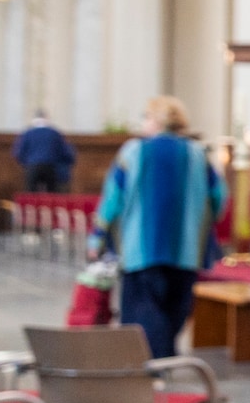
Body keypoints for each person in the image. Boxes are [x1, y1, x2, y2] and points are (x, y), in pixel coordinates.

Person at [94, 97, 225, 360]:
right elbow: (219, 196)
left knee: (143, 310)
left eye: (145, 117)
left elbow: (112, 198)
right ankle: (165, 359)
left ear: (156, 120)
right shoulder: (197, 153)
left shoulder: (134, 151)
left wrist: (97, 236)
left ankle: (155, 366)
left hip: (141, 249)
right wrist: (203, 224)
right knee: (175, 307)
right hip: (185, 250)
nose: (143, 122)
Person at [14, 112, 75, 193]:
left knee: (31, 194)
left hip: (32, 166)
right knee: (51, 194)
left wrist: (27, 163)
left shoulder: (28, 133)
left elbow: (19, 152)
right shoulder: (54, 133)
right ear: (47, 119)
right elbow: (64, 152)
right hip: (50, 167)